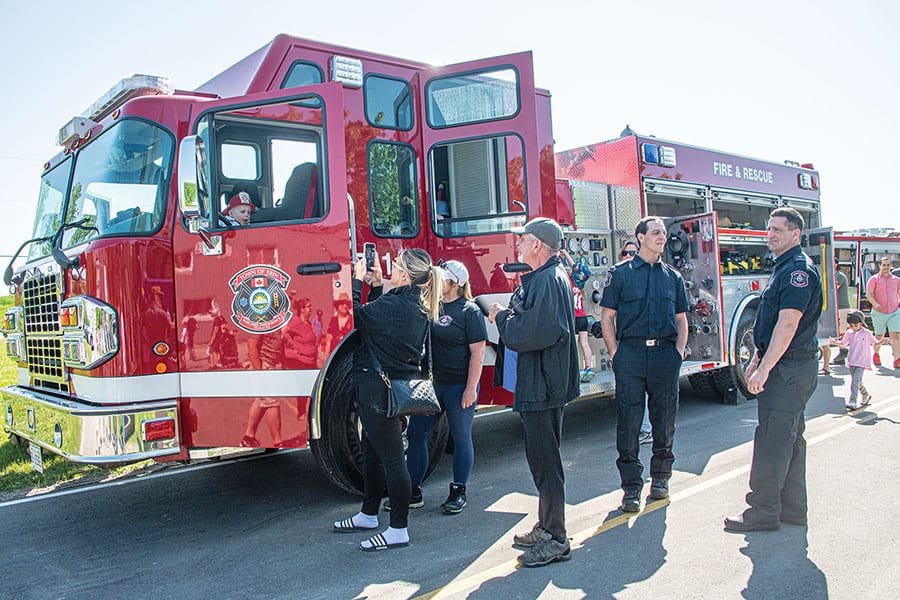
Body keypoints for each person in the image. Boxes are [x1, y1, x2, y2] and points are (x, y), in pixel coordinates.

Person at [332, 248, 443, 552]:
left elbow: (355, 317)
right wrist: (378, 286)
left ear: (405, 274)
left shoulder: (396, 306)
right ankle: (369, 514)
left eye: (395, 264)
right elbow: (376, 323)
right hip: (389, 387)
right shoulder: (413, 304)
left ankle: (398, 529)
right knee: (371, 452)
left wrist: (356, 282)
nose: (390, 266)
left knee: (393, 461)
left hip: (378, 390)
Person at [488, 217, 580, 568]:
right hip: (540, 381)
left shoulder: (547, 280)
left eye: (524, 239)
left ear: (538, 245)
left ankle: (556, 538)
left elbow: (533, 332)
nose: (519, 245)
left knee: (546, 462)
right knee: (541, 459)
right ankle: (546, 526)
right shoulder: (543, 278)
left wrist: (501, 317)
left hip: (544, 383)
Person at [724, 207, 822, 532]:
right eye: (769, 229)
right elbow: (770, 323)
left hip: (788, 369)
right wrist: (756, 357)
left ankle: (762, 512)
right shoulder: (784, 267)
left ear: (796, 234)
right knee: (790, 439)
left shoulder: (797, 271)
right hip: (789, 366)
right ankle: (793, 509)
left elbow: (788, 324)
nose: (771, 235)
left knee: (772, 440)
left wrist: (765, 369)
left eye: (778, 229)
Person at [600, 218, 688, 513]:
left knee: (665, 421)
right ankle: (631, 488)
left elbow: (681, 319)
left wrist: (678, 352)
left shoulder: (673, 277)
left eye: (664, 233)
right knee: (629, 423)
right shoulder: (620, 274)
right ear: (640, 237)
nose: (662, 237)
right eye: (656, 233)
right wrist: (615, 353)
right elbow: (607, 317)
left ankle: (661, 479)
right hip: (631, 355)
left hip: (665, 355)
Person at [403, 260, 487, 515]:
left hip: (459, 386)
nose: (437, 281)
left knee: (460, 437)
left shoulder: (470, 311)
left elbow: (478, 354)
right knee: (416, 433)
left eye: (442, 278)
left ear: (455, 283)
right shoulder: (432, 306)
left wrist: (471, 389)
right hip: (433, 385)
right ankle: (413, 490)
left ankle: (459, 491)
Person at [618, 241, 653, 445]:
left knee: (645, 391)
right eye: (626, 252)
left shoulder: (648, 277)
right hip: (627, 346)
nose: (630, 255)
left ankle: (646, 430)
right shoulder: (618, 277)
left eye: (634, 252)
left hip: (648, 346)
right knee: (630, 394)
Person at [829, 310, 876, 410]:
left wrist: (883, 341)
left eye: (856, 325)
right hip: (852, 361)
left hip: (862, 362)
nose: (854, 327)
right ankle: (865, 394)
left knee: (854, 382)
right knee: (858, 382)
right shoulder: (849, 333)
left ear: (861, 323)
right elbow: (843, 344)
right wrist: (835, 343)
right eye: (851, 325)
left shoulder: (867, 333)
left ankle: (852, 401)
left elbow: (875, 343)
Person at [561, 249, 594, 382]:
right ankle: (589, 368)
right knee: (585, 344)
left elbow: (561, 268)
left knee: (573, 345)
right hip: (583, 318)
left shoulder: (568, 282)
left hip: (573, 318)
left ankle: (576, 370)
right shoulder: (580, 284)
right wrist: (566, 253)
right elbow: (575, 268)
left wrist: (560, 255)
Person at [866, 256, 900, 369]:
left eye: (888, 265)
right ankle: (876, 354)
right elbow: (869, 293)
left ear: (891, 266)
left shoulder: (896, 280)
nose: (886, 267)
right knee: (879, 335)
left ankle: (897, 359)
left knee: (896, 335)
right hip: (879, 312)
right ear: (880, 266)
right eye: (884, 265)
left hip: (894, 311)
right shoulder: (874, 279)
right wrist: (874, 303)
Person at [827, 261, 852, 367]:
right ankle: (842, 353)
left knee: (841, 331)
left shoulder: (839, 276)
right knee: (838, 331)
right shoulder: (834, 276)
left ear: (836, 265)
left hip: (842, 307)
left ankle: (843, 351)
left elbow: (833, 289)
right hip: (837, 308)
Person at [284, 297, 318, 369]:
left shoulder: (309, 323)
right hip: (299, 361)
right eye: (309, 306)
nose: (311, 308)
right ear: (302, 309)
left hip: (310, 361)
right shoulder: (296, 322)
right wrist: (292, 344)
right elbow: (283, 331)